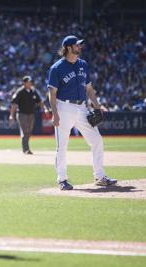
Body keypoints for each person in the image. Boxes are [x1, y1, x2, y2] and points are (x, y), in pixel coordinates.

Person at [47, 35, 117, 190]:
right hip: (64, 107)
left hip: (82, 108)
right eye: (77, 45)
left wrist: (97, 106)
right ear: (68, 48)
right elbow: (52, 93)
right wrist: (55, 113)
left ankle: (100, 176)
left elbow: (89, 88)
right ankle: (62, 179)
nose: (80, 47)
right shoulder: (57, 68)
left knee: (97, 140)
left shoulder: (83, 65)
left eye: (79, 45)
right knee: (62, 146)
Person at [9, 76, 45, 155]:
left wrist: (44, 108)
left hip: (31, 114)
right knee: (25, 131)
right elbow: (14, 103)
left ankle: (26, 148)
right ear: (24, 83)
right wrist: (11, 115)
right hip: (22, 114)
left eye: (31, 82)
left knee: (29, 132)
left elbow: (39, 101)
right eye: (28, 82)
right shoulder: (20, 91)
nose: (30, 83)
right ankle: (26, 149)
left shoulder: (33, 91)